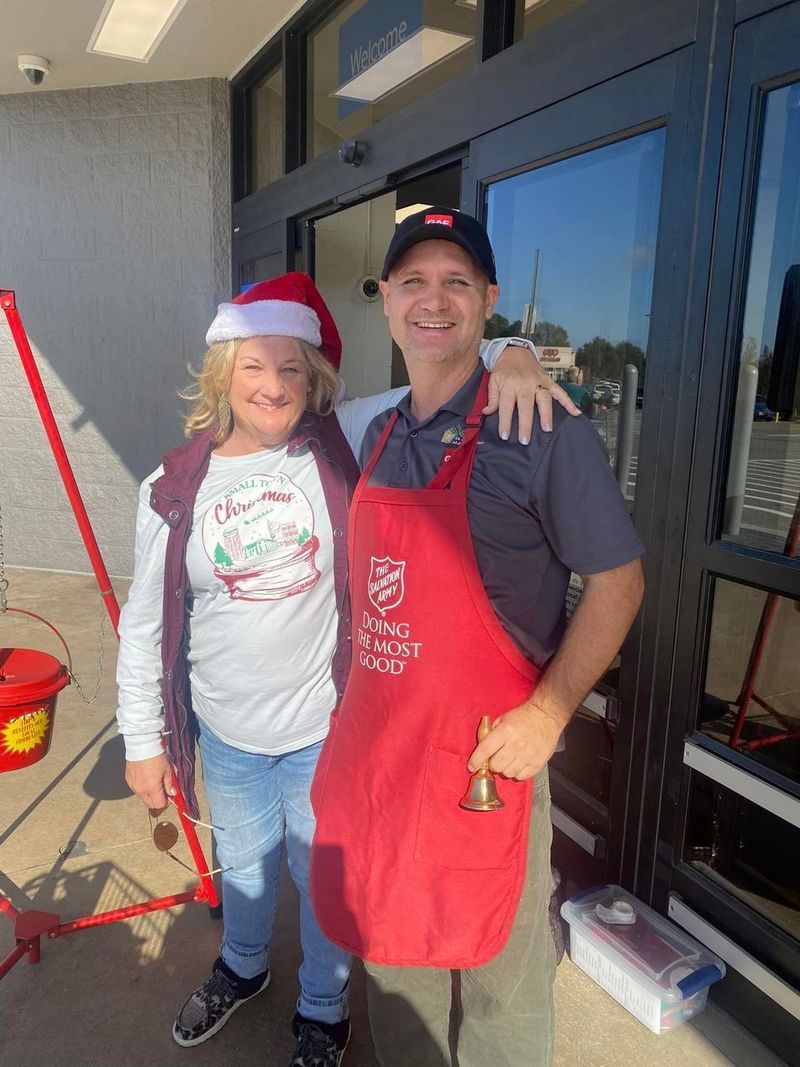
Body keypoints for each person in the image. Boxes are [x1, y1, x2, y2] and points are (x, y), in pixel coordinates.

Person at [115, 271, 573, 1067]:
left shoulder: (344, 438)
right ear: (223, 375)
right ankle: (244, 967)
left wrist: (516, 351)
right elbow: (145, 625)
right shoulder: (170, 487)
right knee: (248, 871)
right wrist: (142, 740)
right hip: (227, 734)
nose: (273, 385)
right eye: (254, 366)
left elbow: (441, 361)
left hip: (325, 732)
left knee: (329, 882)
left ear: (314, 381)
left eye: (291, 368)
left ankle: (324, 1006)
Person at [309, 210, 646, 1067]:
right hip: (383, 761)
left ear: (489, 301)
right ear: (385, 301)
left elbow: (620, 581)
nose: (433, 300)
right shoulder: (371, 429)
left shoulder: (542, 432)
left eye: (457, 282)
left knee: (499, 976)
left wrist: (550, 712)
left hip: (484, 767)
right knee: (394, 963)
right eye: (413, 281)